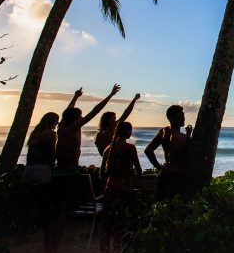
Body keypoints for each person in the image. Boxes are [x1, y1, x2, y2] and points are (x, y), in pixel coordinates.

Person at [47, 84, 121, 252]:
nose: (82, 119)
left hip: (57, 173)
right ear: (75, 119)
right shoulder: (72, 129)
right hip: (68, 174)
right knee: (64, 213)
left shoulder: (61, 128)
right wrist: (109, 95)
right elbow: (94, 111)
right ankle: (54, 248)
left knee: (55, 213)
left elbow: (67, 111)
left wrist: (75, 97)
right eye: (79, 116)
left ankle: (49, 247)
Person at [99, 121, 142, 253]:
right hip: (124, 187)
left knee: (107, 221)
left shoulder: (108, 148)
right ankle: (117, 249)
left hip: (110, 186)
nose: (131, 133)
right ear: (128, 132)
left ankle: (104, 249)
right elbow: (139, 170)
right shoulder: (129, 148)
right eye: (131, 130)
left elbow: (102, 173)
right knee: (120, 220)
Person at [23, 112, 59, 249]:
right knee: (44, 203)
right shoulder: (50, 134)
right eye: (56, 123)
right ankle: (45, 238)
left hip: (29, 169)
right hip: (42, 170)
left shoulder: (36, 133)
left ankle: (26, 231)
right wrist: (53, 167)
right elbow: (51, 154)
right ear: (53, 122)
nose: (57, 126)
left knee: (32, 202)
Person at [144, 105, 193, 200]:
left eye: (183, 116)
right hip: (177, 176)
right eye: (179, 116)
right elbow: (187, 155)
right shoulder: (183, 138)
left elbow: (148, 150)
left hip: (165, 173)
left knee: (161, 204)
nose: (183, 118)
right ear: (171, 119)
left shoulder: (163, 131)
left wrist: (159, 167)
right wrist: (188, 136)